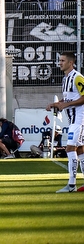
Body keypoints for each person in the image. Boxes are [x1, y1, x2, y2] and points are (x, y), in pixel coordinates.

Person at [48, 51, 84, 192]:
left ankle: (71, 185)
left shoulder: (78, 77)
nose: (60, 63)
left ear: (71, 63)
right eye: (60, 60)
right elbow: (68, 99)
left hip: (79, 119)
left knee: (70, 148)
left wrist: (66, 105)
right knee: (80, 150)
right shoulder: (65, 79)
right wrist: (56, 104)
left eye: (62, 60)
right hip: (73, 119)